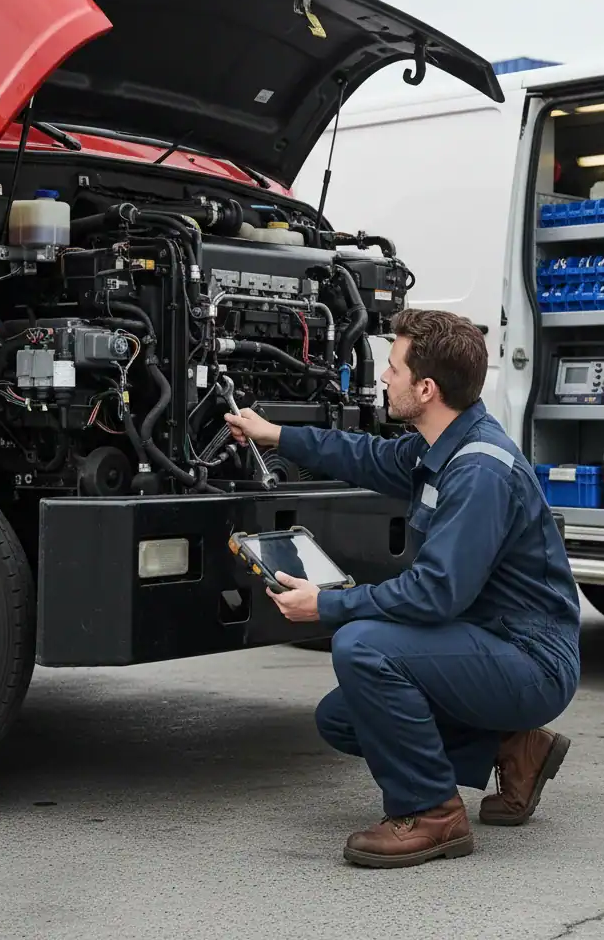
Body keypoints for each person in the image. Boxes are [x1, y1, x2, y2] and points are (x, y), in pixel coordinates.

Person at [224, 308, 581, 868]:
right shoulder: (435, 446)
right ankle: (512, 746)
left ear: (427, 387)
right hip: (486, 641)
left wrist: (327, 604)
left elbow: (435, 593)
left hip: (530, 661)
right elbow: (362, 457)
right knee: (342, 717)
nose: (384, 378)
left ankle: (434, 814)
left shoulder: (477, 471)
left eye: (393, 367)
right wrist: (274, 435)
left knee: (361, 645)